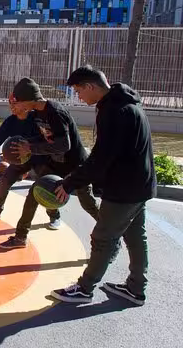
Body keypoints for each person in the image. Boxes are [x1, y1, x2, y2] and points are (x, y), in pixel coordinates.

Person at [51, 66, 155, 306]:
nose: (78, 97)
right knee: (135, 234)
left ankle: (84, 288)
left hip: (124, 188)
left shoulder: (114, 111)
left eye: (78, 91)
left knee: (103, 237)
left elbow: (101, 158)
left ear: (91, 86)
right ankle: (136, 288)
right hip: (140, 184)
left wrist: (69, 183)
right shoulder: (128, 103)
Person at [0, 77, 99, 249]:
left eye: (18, 102)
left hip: (75, 165)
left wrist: (31, 148)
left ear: (28, 99)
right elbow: (45, 138)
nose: (16, 107)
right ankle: (20, 237)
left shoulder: (55, 112)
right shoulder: (36, 114)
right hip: (57, 164)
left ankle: (111, 233)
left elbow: (64, 144)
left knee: (87, 203)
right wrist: (27, 144)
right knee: (34, 193)